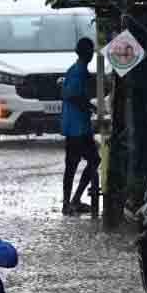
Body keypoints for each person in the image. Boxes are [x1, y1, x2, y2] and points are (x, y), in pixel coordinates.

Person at [62, 37, 100, 215]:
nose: (92, 54)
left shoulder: (78, 69)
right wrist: (89, 106)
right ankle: (70, 202)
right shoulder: (78, 72)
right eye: (91, 51)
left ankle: (73, 201)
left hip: (77, 127)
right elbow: (71, 95)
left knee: (83, 163)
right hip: (77, 128)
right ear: (87, 53)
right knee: (85, 162)